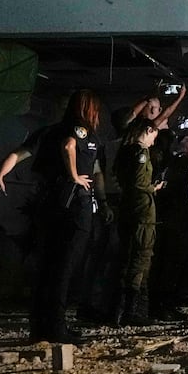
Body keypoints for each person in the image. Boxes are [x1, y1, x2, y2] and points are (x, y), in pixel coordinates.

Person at [29, 90, 107, 344]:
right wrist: (74, 175)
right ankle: (56, 327)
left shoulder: (51, 130)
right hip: (74, 206)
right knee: (64, 268)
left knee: (49, 267)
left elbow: (39, 168)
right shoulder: (80, 130)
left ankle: (41, 326)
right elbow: (69, 146)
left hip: (54, 205)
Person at [112, 117, 165, 326]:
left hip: (128, 208)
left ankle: (122, 309)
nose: (154, 140)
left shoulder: (125, 150)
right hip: (142, 211)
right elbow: (140, 182)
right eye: (154, 134)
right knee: (141, 259)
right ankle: (131, 311)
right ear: (148, 130)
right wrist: (154, 188)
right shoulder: (140, 152)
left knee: (128, 257)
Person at [152, 126, 188, 314]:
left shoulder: (164, 161)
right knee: (173, 261)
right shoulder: (178, 162)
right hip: (177, 218)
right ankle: (165, 304)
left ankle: (162, 302)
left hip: (166, 215)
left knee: (166, 261)